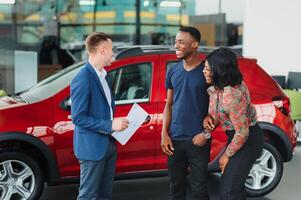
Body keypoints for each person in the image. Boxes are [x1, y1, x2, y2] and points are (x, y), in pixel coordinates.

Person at [70, 32, 129, 200]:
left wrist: (116, 126)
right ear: (102, 50)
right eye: (111, 49)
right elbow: (78, 117)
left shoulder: (104, 75)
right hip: (92, 148)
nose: (113, 53)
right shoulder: (83, 78)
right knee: (88, 196)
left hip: (108, 144)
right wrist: (110, 125)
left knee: (104, 195)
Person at [202, 48, 264, 200]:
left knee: (229, 192)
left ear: (219, 70)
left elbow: (243, 133)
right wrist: (208, 120)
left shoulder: (231, 95)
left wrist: (226, 156)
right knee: (233, 189)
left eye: (208, 69)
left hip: (248, 140)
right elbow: (217, 114)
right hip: (235, 137)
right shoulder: (218, 87)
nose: (203, 71)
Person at [161, 26, 211, 200]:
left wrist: (206, 134)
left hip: (198, 140)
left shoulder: (207, 71)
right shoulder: (172, 71)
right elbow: (168, 104)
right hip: (175, 140)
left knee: (199, 190)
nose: (176, 45)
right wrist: (164, 134)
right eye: (176, 41)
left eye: (181, 42)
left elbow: (219, 107)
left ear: (195, 44)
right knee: (176, 188)